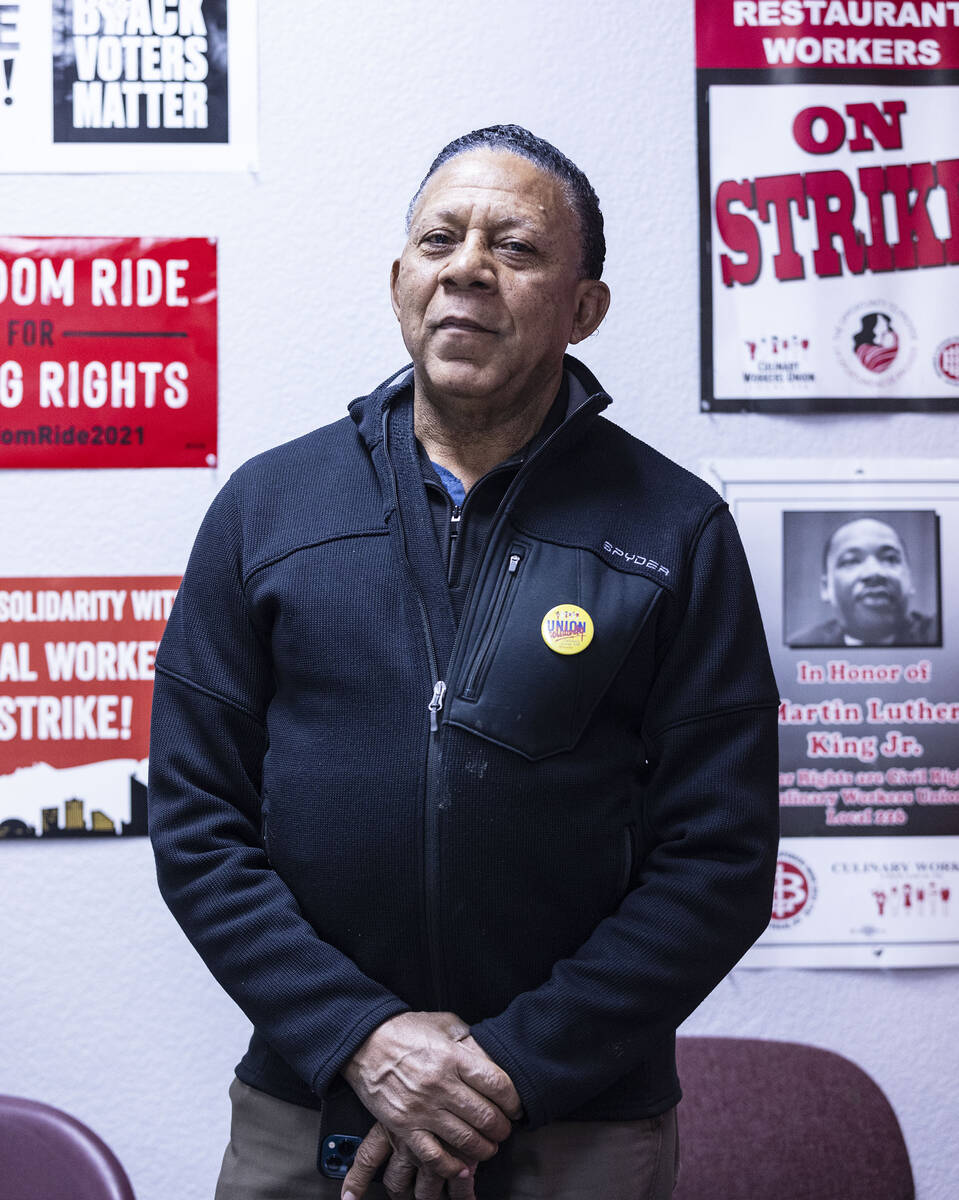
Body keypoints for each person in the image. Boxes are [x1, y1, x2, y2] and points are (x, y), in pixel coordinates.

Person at [148, 125, 780, 1200]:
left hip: (574, 1123)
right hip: (310, 1112)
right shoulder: (267, 510)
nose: (466, 270)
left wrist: (505, 1068)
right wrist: (362, 1039)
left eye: (516, 247)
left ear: (585, 309)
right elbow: (197, 822)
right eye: (438, 239)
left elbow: (717, 860)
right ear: (401, 278)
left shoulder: (674, 529)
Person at [788, 515, 938, 648]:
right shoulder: (799, 647)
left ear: (910, 579)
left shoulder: (942, 634)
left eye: (890, 558)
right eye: (851, 561)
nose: (874, 572)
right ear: (826, 588)